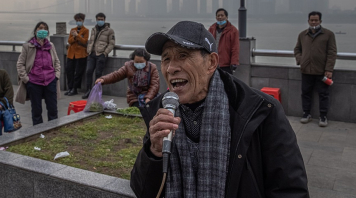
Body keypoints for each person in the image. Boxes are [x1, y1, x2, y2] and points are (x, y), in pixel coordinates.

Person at [130, 21, 309, 198]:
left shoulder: (260, 111)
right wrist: (153, 153)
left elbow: (289, 190)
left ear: (211, 62)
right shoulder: (161, 111)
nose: (171, 68)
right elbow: (143, 190)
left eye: (183, 55)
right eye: (166, 59)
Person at [294, 11, 337, 127]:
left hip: (322, 71)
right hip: (306, 70)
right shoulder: (302, 35)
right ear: (308, 21)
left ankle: (323, 116)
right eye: (311, 20)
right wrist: (300, 60)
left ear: (320, 21)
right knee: (306, 93)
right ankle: (306, 113)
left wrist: (329, 69)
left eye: (316, 20)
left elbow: (332, 53)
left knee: (323, 94)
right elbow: (297, 49)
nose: (314, 22)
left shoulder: (328, 34)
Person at [15, 22, 61, 126]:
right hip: (34, 82)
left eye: (45, 29)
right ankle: (38, 132)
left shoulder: (51, 46)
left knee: (53, 109)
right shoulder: (28, 46)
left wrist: (56, 76)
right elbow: (20, 64)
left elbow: (57, 62)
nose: (42, 30)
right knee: (36, 110)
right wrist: (26, 79)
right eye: (40, 28)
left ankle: (53, 130)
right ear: (35, 30)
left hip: (50, 80)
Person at [95, 48, 160, 108]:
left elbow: (154, 85)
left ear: (146, 60)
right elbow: (116, 75)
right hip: (134, 97)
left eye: (141, 62)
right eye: (136, 62)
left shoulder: (152, 68)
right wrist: (104, 79)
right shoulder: (128, 66)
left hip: (149, 96)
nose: (139, 64)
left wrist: (148, 98)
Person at [82, 12, 115, 99]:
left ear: (104, 20)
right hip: (91, 54)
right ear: (96, 20)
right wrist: (88, 50)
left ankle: (96, 92)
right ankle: (88, 90)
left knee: (98, 74)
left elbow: (111, 44)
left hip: (101, 54)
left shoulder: (109, 31)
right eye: (99, 19)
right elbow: (91, 41)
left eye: (102, 19)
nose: (100, 21)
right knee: (88, 72)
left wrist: (105, 53)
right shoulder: (93, 29)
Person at [208, 8, 239, 74]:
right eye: (218, 16)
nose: (220, 17)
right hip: (213, 63)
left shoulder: (233, 30)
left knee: (226, 83)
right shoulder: (212, 29)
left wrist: (234, 62)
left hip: (226, 64)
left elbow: (235, 47)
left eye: (222, 15)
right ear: (216, 17)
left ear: (226, 17)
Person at [65, 13, 89, 96]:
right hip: (71, 54)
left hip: (81, 54)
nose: (79, 22)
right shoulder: (73, 29)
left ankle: (75, 89)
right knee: (69, 71)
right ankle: (70, 88)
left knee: (78, 72)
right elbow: (69, 41)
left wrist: (77, 35)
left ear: (83, 21)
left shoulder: (86, 30)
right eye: (77, 20)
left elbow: (84, 41)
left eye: (80, 20)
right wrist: (75, 37)